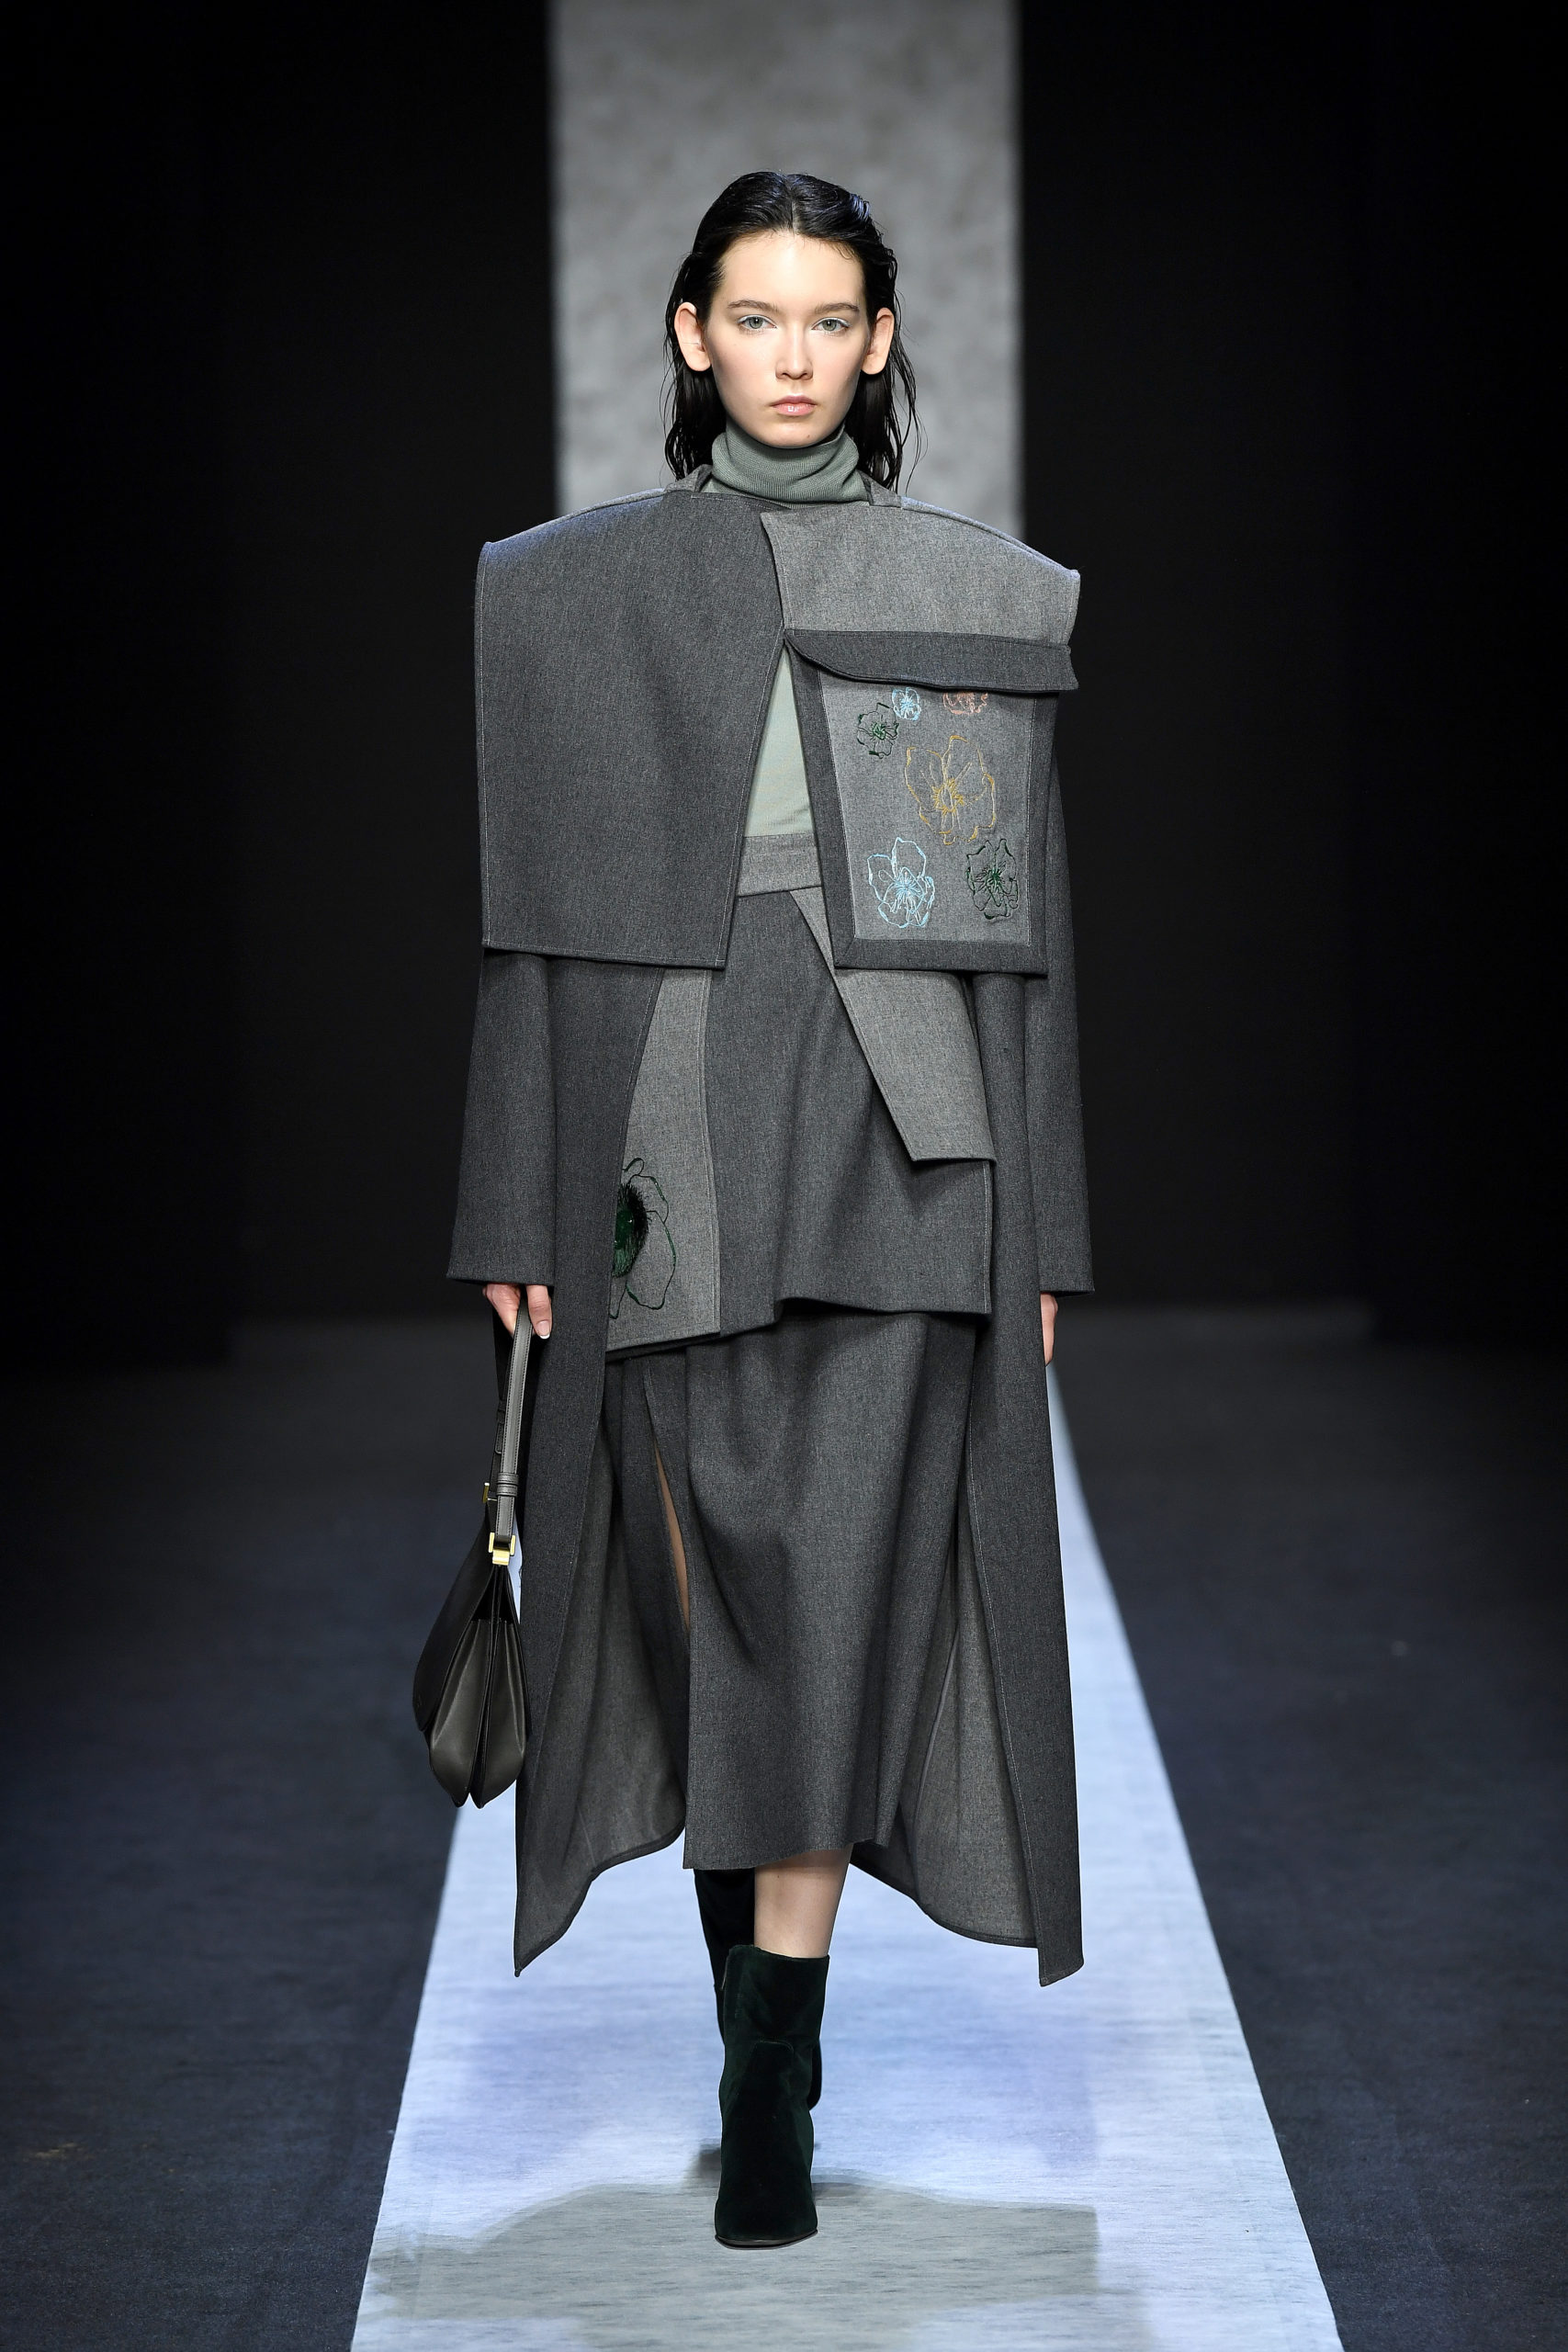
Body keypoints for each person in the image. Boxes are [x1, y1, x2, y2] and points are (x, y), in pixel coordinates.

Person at [450, 171, 1090, 2249]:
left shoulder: (970, 596)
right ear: (689, 333)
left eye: (830, 319)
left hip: (906, 1140)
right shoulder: (566, 598)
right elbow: (527, 938)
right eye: (756, 316)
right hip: (661, 1127)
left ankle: (769, 2071)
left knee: (836, 1595)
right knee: (700, 1594)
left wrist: (1048, 1229)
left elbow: (1027, 948)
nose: (793, 356)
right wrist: (509, 1197)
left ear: (880, 341)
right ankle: (760, 2023)